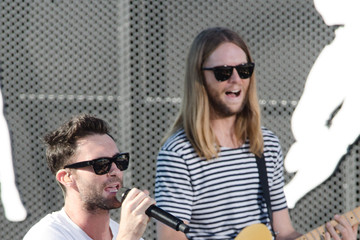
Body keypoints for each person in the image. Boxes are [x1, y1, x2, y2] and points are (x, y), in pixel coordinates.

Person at [154, 27, 358, 240]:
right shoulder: (179, 153)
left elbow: (283, 231)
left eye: (244, 70)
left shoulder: (265, 144)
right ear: (199, 77)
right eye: (223, 72)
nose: (235, 79)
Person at [23, 114, 155, 240]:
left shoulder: (121, 232)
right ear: (66, 177)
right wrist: (128, 236)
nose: (115, 171)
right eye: (101, 164)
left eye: (119, 160)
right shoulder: (46, 235)